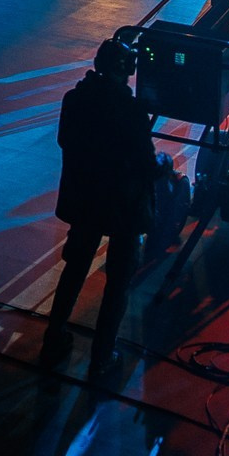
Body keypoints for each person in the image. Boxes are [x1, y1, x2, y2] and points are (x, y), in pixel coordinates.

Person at [42, 40, 162, 369]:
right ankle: (102, 355)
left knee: (74, 270)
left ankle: (53, 338)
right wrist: (163, 166)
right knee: (118, 282)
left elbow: (65, 141)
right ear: (126, 70)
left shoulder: (74, 99)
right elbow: (146, 164)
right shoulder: (131, 110)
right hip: (123, 207)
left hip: (85, 200)